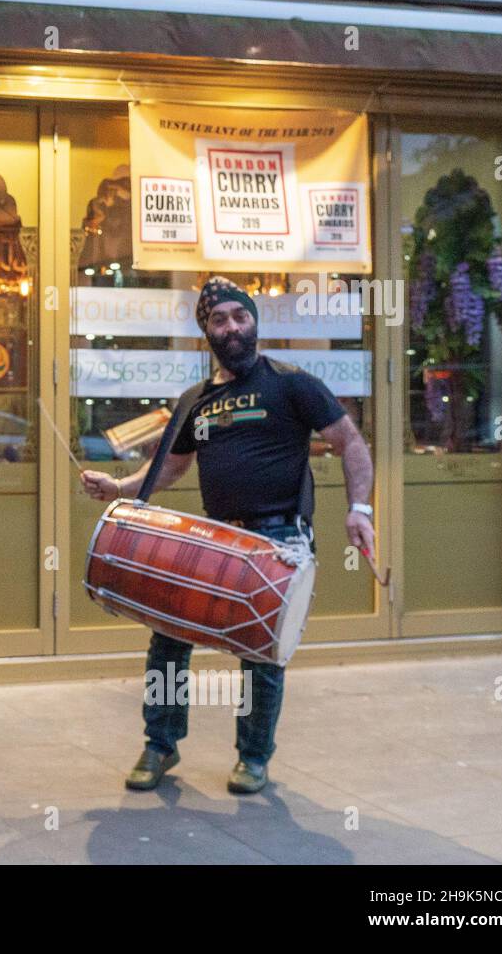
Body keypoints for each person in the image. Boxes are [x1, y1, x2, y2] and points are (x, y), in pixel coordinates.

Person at [81, 276, 375, 795]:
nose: (232, 327)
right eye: (220, 320)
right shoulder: (195, 399)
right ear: (207, 332)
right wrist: (118, 487)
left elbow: (349, 441)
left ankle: (254, 756)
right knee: (167, 635)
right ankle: (160, 743)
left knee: (261, 653)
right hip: (215, 538)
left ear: (254, 322)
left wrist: (360, 508)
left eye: (240, 316)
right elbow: (167, 468)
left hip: (278, 538)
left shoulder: (292, 384)